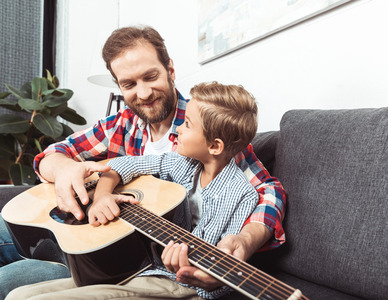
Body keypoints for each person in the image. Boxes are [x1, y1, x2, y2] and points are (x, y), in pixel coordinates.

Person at [0, 25, 286, 297]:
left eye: (151, 77)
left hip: (131, 262)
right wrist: (68, 172)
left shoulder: (209, 122)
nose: (144, 93)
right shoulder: (120, 125)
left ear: (170, 70)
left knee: (10, 285)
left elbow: (267, 191)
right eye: (129, 84)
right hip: (88, 235)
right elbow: (52, 154)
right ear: (119, 87)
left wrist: (246, 240)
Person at [8, 81, 260, 299]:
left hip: (177, 283)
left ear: (214, 146)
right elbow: (121, 164)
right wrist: (103, 195)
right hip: (142, 266)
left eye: (187, 124)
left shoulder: (241, 195)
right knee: (18, 294)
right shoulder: (180, 162)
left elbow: (219, 268)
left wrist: (194, 269)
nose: (178, 128)